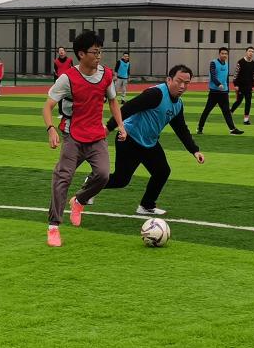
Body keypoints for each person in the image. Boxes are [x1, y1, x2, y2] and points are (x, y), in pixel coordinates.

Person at [42, 30, 125, 248]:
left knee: (103, 175)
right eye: (94, 52)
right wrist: (51, 129)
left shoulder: (106, 75)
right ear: (81, 54)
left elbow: (113, 101)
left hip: (96, 136)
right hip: (73, 136)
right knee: (63, 178)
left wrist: (121, 126)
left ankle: (79, 201)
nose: (99, 56)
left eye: (100, 52)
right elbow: (47, 106)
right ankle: (53, 226)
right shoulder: (67, 78)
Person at [99, 64, 205, 215]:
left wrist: (194, 150)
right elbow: (128, 108)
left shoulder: (178, 105)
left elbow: (181, 129)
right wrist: (109, 127)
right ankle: (91, 183)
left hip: (149, 143)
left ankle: (146, 206)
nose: (182, 86)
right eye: (179, 81)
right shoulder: (156, 94)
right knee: (121, 180)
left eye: (186, 83)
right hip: (129, 139)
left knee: (162, 171)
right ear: (169, 80)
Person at [197, 47, 243, 135]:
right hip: (214, 92)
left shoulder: (226, 64)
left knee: (227, 112)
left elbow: (226, 78)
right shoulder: (213, 63)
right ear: (219, 54)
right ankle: (200, 128)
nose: (224, 55)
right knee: (207, 110)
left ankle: (232, 129)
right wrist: (218, 84)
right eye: (222, 53)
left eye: (226, 54)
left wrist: (227, 89)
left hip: (224, 93)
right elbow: (213, 76)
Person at [230, 47, 254, 125]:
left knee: (248, 102)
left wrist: (252, 86)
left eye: (252, 51)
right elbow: (236, 74)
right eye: (249, 51)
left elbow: (252, 75)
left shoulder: (253, 63)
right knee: (238, 101)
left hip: (249, 86)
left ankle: (246, 120)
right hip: (240, 86)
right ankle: (230, 112)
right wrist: (235, 84)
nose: (251, 53)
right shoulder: (241, 62)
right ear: (246, 52)